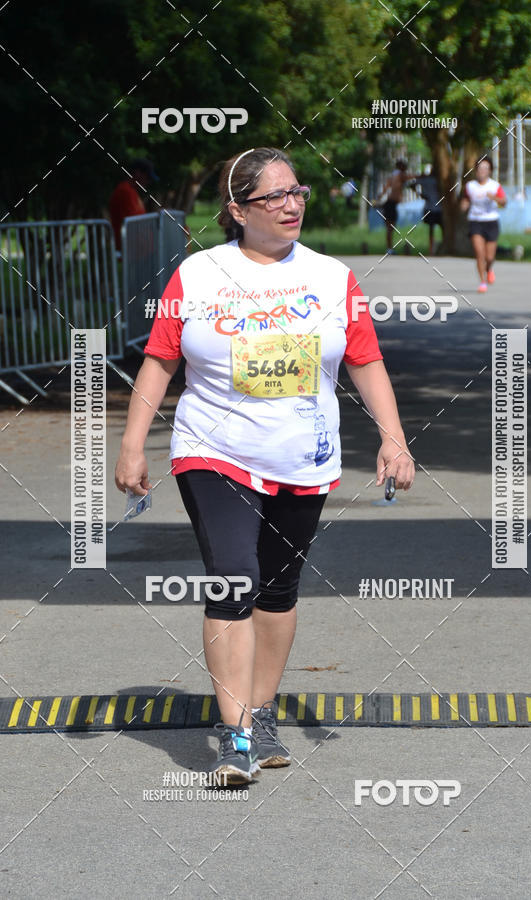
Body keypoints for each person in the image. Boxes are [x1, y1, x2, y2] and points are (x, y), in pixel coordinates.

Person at [114, 147, 415, 784]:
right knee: (232, 576)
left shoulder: (332, 277)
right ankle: (234, 736)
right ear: (236, 210)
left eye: (297, 191)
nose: (291, 204)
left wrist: (393, 438)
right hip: (212, 450)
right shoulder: (197, 275)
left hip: (301, 455)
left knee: (277, 590)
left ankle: (262, 708)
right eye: (273, 196)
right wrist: (133, 444)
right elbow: (161, 360)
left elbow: (365, 360)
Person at [460, 156, 507, 293]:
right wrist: (464, 205)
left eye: (485, 168)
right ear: (476, 170)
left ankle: (489, 268)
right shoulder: (470, 186)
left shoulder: (494, 186)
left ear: (490, 171)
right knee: (479, 253)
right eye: (480, 168)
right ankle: (482, 282)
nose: (482, 171)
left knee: (489, 257)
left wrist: (495, 198)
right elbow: (466, 200)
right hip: (475, 221)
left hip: (491, 221)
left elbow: (504, 202)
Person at [109, 159, 158, 250]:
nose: (148, 182)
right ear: (137, 173)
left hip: (139, 248)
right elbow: (134, 223)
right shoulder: (125, 191)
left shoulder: (132, 192)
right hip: (132, 249)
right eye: (147, 177)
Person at [378, 159, 413, 254]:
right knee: (390, 227)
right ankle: (389, 248)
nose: (406, 168)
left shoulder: (393, 176)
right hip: (391, 203)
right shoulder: (400, 175)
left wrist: (380, 197)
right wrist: (425, 176)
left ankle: (389, 248)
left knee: (390, 227)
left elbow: (386, 187)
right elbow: (410, 177)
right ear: (401, 167)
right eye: (404, 166)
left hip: (389, 203)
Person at [414, 165, 443, 255]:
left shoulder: (439, 180)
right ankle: (432, 250)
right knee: (433, 229)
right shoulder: (430, 180)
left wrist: (420, 194)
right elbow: (412, 185)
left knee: (438, 228)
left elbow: (412, 185)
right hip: (431, 207)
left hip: (436, 207)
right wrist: (421, 194)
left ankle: (437, 248)